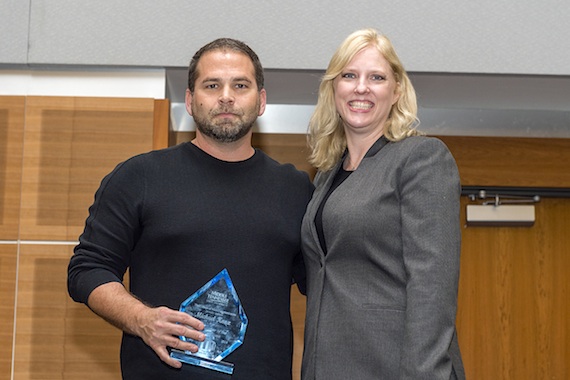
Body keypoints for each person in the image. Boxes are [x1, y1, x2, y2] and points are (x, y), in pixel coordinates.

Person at [68, 38, 313, 380]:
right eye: (212, 85)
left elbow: (325, 284)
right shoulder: (140, 176)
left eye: (240, 85)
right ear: (190, 100)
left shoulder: (297, 190)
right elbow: (87, 269)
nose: (226, 96)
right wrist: (142, 319)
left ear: (261, 101)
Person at [300, 28, 465, 379]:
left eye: (376, 77)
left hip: (396, 366)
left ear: (396, 91)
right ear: (334, 88)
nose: (361, 87)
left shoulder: (421, 159)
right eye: (349, 75)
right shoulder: (325, 175)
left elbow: (432, 288)